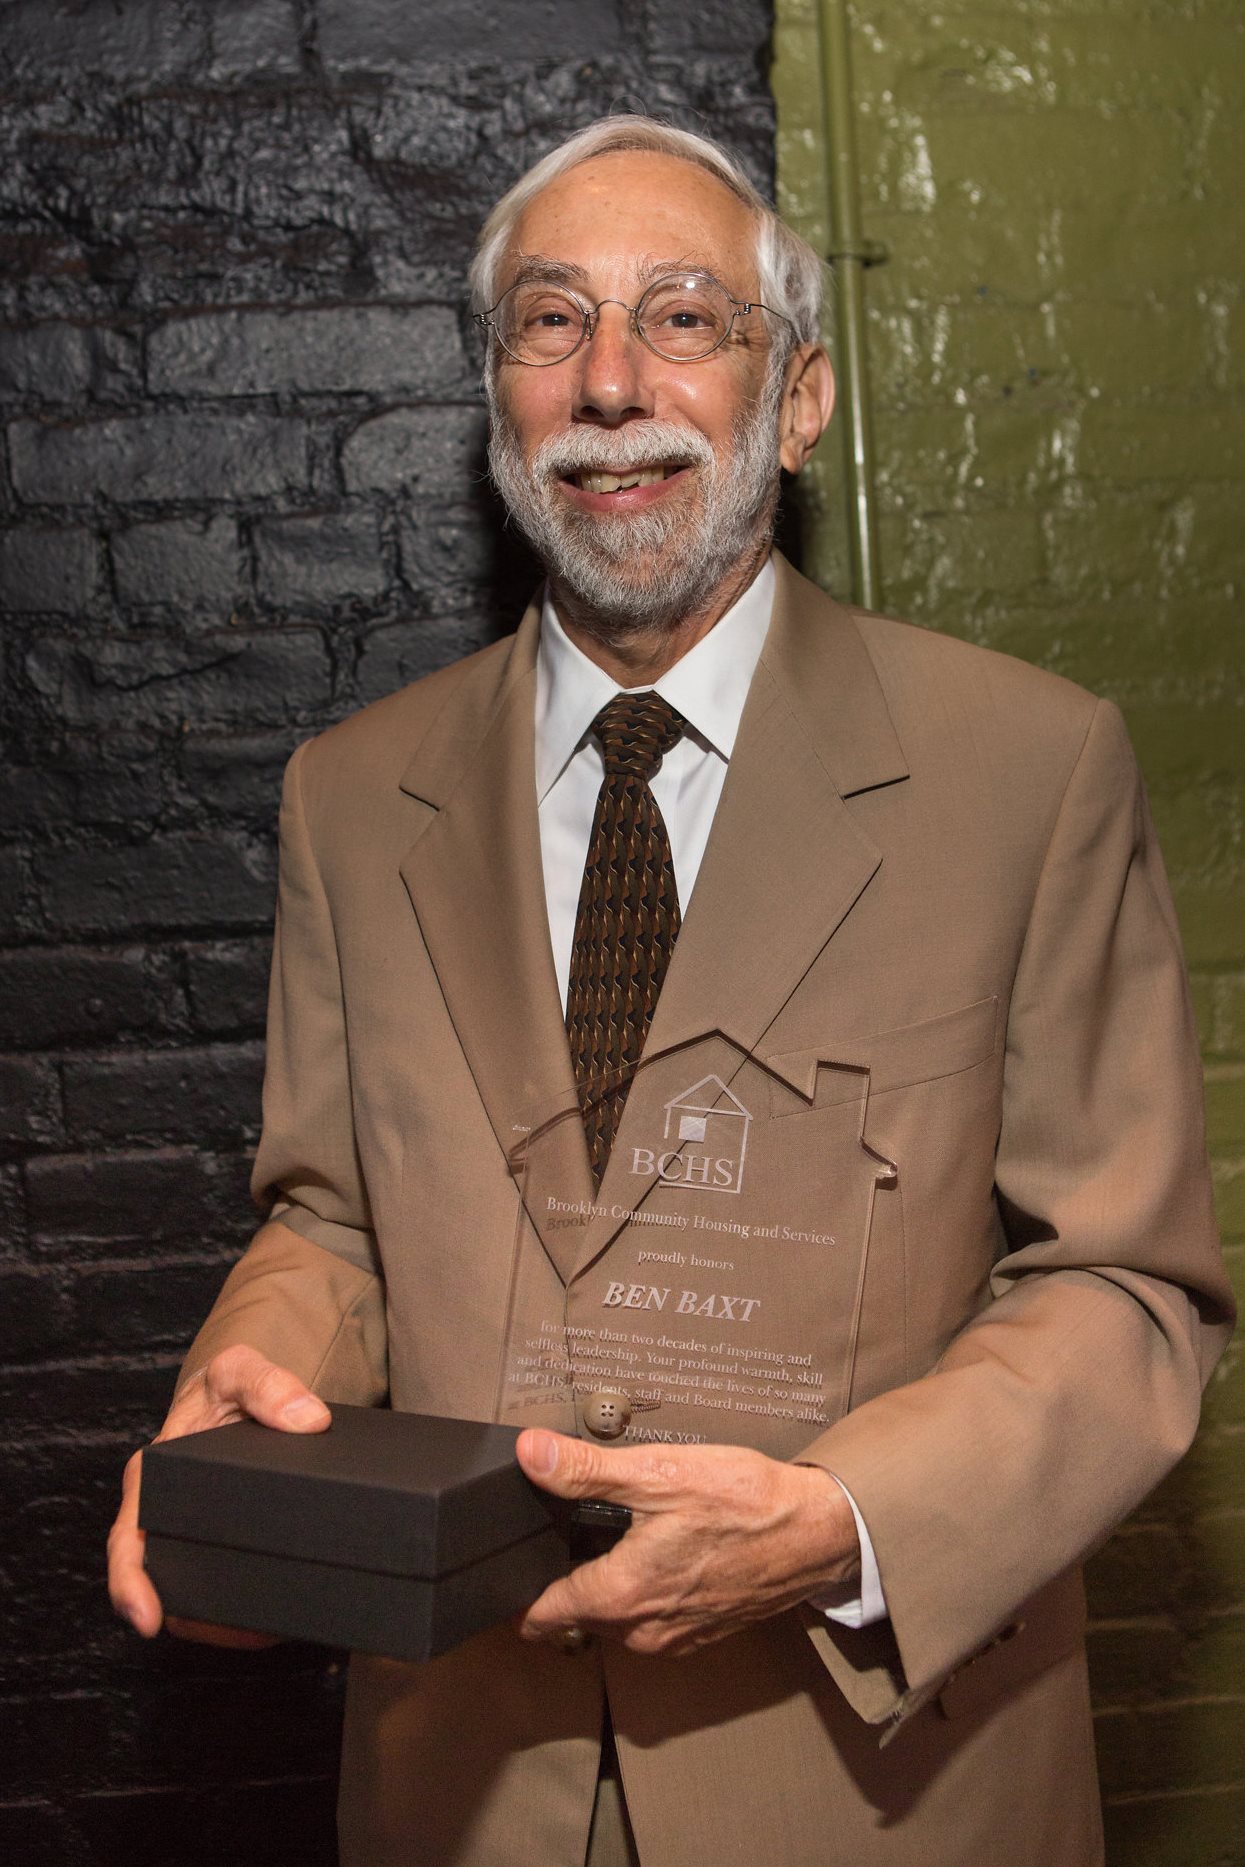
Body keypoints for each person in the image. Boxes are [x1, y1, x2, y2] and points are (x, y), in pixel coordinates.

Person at [108, 116, 1233, 1867]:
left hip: (880, 1782)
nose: (610, 382)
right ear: (499, 405)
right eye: (549, 324)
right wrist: (256, 1374)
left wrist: (848, 1521)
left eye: (685, 320)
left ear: (796, 401)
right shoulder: (351, 790)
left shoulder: (1027, 771)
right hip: (464, 1772)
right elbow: (335, 1214)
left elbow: (1127, 1284)